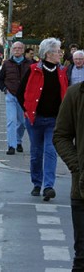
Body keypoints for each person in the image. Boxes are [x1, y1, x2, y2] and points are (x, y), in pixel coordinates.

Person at [17, 37, 68, 201]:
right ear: (48, 53)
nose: (60, 54)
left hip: (54, 120)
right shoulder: (33, 70)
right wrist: (27, 110)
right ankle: (37, 183)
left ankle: (48, 186)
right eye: (57, 51)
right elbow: (20, 93)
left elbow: (65, 95)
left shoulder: (61, 72)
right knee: (36, 153)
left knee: (51, 152)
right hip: (35, 120)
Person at [54, 80, 84, 270]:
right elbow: (61, 135)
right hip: (82, 191)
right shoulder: (76, 94)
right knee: (82, 258)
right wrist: (78, 167)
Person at [0, 41, 32, 156]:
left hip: (24, 97)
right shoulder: (7, 63)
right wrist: (5, 90)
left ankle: (18, 140)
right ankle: (11, 145)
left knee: (22, 122)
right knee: (11, 121)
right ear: (12, 50)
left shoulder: (30, 64)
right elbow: (0, 80)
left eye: (19, 48)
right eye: (15, 48)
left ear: (23, 50)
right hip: (11, 95)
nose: (17, 50)